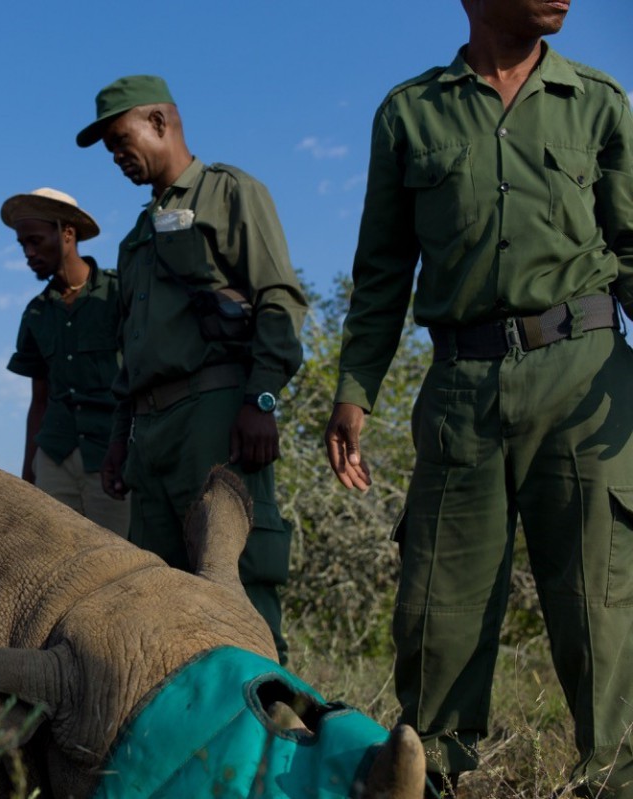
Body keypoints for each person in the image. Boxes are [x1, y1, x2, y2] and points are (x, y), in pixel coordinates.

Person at [323, 0, 633, 793]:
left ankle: (615, 773)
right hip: (461, 386)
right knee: (439, 602)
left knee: (601, 598)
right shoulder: (408, 114)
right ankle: (432, 774)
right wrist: (354, 389)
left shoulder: (598, 100)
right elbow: (384, 266)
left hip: (586, 375)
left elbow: (631, 244)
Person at [77, 75, 308, 662]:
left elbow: (279, 301)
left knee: (236, 582)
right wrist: (116, 443)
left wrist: (260, 401)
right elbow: (131, 354)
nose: (116, 155)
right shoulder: (134, 238)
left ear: (159, 122)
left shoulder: (228, 193)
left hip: (215, 413)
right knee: (155, 592)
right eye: (108, 148)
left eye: (120, 138)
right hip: (149, 433)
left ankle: (270, 737)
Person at [2, 188, 129, 537]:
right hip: (54, 457)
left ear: (67, 234)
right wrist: (29, 474)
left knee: (117, 565)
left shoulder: (118, 294)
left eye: (35, 241)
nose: (29, 253)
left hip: (111, 455)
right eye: (22, 245)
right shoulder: (37, 312)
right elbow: (39, 400)